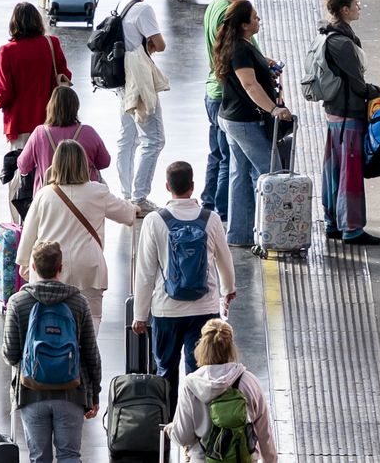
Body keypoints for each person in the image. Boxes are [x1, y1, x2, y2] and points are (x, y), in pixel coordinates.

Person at [132, 161, 234, 408]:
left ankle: (165, 428)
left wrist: (140, 315)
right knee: (200, 372)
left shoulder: (155, 220)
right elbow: (225, 259)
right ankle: (196, 426)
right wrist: (227, 291)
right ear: (192, 186)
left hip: (166, 311)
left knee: (165, 369)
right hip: (204, 309)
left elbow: (145, 272)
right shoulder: (211, 219)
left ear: (168, 187)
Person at [18, 141, 139, 334]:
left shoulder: (44, 195)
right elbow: (127, 215)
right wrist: (135, 209)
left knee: (49, 326)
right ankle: (82, 359)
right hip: (88, 269)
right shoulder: (97, 191)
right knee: (90, 324)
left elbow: (28, 237)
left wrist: (26, 264)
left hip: (48, 268)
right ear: (84, 164)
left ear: (55, 164)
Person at [3, 240, 102, 463]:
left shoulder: (18, 303)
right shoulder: (78, 302)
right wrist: (94, 394)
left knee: (39, 457)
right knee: (69, 456)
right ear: (60, 267)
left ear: (34, 268)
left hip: (31, 391)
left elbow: (10, 353)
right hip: (72, 392)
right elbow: (91, 354)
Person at [213, 0, 292, 246]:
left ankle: (239, 234)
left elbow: (250, 73)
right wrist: (274, 108)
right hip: (244, 121)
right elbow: (249, 84)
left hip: (231, 119)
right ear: (244, 25)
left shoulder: (239, 45)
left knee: (239, 175)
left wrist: (265, 64)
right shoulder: (240, 49)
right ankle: (276, 232)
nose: (259, 21)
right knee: (272, 171)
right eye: (255, 18)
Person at [0, 3, 72, 222]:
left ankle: (21, 227)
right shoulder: (51, 44)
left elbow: (5, 94)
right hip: (51, 124)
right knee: (51, 175)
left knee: (20, 178)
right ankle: (51, 223)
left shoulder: (8, 52)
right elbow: (65, 75)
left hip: (21, 127)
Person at [317, 0, 380, 245]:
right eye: (356, 4)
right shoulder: (342, 43)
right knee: (350, 174)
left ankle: (333, 222)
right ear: (344, 9)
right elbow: (357, 83)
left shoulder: (327, 35)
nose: (359, 8)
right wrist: (377, 91)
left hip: (336, 115)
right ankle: (352, 228)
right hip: (348, 116)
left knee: (334, 170)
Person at [165, 319, 278, 463]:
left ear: (202, 347)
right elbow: (264, 434)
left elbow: (183, 437)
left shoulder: (191, 385)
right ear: (231, 347)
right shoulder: (248, 381)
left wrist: (171, 430)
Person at [202, 0, 258, 219]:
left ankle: (208, 203)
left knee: (216, 154)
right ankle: (224, 214)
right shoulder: (232, 14)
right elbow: (240, 56)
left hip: (213, 91)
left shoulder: (214, 4)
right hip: (228, 94)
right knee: (229, 159)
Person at [116, 0, 168, 213]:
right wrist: (149, 44)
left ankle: (126, 193)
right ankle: (139, 197)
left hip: (121, 78)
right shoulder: (144, 9)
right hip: (138, 80)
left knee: (128, 137)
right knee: (154, 139)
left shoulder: (123, 1)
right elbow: (160, 44)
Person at [15, 85, 113, 201]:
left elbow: (23, 166)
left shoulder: (39, 133)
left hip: (48, 198)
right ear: (76, 107)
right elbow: (104, 162)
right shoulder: (88, 132)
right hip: (85, 199)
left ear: (51, 107)